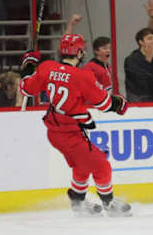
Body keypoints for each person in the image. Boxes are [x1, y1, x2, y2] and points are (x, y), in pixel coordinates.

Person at [19, 33, 132, 217]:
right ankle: (109, 203)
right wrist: (119, 104)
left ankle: (78, 201)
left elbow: (25, 87)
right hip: (69, 134)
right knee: (102, 166)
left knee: (83, 165)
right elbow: (104, 104)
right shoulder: (82, 76)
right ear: (79, 53)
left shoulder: (47, 68)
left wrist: (29, 64)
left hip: (55, 132)